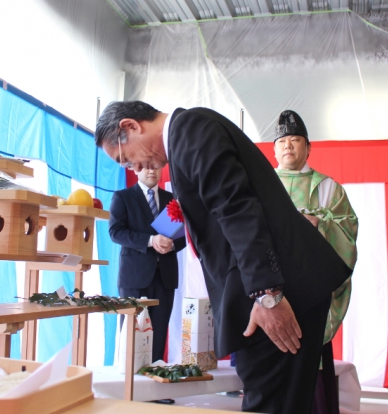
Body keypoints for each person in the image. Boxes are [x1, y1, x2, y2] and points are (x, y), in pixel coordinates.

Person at [95, 101, 352, 414]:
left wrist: (268, 295)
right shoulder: (185, 139)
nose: (135, 169)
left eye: (126, 160)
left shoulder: (190, 130)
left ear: (130, 126)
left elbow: (237, 209)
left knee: (273, 403)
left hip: (278, 294)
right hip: (267, 292)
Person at [272, 110, 358, 414]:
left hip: (312, 287)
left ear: (308, 147)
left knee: (310, 360)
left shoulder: (327, 187)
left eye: (295, 140)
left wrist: (320, 224)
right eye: (282, 141)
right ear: (274, 149)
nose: (288, 145)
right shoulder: (261, 183)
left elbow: (348, 231)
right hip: (271, 284)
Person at [108, 167, 186, 362]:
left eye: (155, 166)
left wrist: (171, 245)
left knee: (158, 336)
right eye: (145, 166)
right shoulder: (123, 197)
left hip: (165, 277)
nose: (152, 170)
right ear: (135, 169)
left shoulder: (172, 199)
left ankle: (155, 378)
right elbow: (116, 232)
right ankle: (131, 380)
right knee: (132, 336)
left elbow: (184, 236)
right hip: (134, 278)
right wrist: (151, 241)